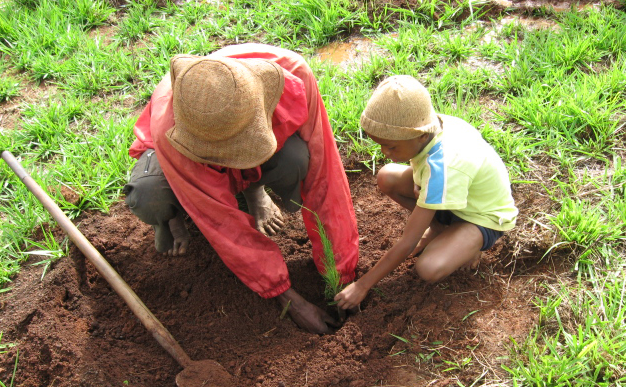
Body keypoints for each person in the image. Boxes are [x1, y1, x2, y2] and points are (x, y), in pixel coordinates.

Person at [123, 43, 359, 334]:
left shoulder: (292, 74)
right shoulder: (170, 128)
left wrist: (341, 271)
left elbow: (325, 176)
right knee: (150, 197)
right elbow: (222, 224)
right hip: (171, 161)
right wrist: (288, 298)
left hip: (238, 146)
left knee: (297, 159)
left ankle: (253, 192)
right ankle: (172, 216)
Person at [334, 75, 517, 310]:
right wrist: (422, 180)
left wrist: (362, 285)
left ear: (420, 134)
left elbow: (407, 242)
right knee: (387, 176)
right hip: (456, 195)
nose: (384, 152)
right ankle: (443, 229)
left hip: (482, 216)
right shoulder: (437, 125)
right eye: (380, 144)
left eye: (392, 146)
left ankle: (472, 244)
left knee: (428, 267)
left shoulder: (444, 167)